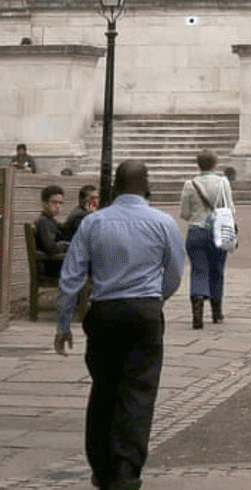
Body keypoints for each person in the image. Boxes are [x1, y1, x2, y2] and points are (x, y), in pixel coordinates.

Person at [54, 160, 184, 490]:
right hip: (144, 313)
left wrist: (64, 321)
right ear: (147, 186)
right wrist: (156, 300)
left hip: (105, 312)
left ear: (114, 187)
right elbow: (174, 273)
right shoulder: (163, 222)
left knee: (104, 389)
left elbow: (71, 274)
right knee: (139, 391)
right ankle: (126, 470)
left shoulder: (94, 223)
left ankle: (102, 467)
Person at [177, 152, 234, 330]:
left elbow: (184, 213)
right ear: (215, 164)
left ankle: (197, 314)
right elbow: (230, 208)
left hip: (197, 230)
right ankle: (217, 312)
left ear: (198, 164)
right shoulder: (223, 183)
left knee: (198, 270)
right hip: (218, 230)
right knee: (217, 269)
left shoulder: (190, 184)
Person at [33, 184, 70, 281]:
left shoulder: (50, 220)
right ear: (44, 203)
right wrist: (66, 245)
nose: (58, 206)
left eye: (60, 203)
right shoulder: (44, 221)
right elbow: (51, 247)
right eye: (54, 202)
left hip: (56, 265)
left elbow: (64, 230)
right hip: (52, 268)